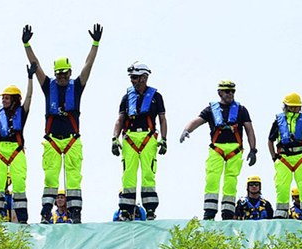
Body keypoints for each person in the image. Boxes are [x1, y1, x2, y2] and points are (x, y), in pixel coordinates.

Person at [22, 23, 102, 224]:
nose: (63, 77)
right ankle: (46, 212)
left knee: (74, 179)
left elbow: (88, 65)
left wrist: (95, 43)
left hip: (72, 140)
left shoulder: (77, 87)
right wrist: (26, 44)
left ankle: (75, 212)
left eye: (66, 73)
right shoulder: (48, 86)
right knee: (50, 179)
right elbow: (36, 64)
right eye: (59, 74)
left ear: (70, 72)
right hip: (52, 141)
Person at [180, 80, 257, 220]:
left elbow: (249, 129)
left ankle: (228, 212)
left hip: (235, 150)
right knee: (212, 178)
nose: (230, 94)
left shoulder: (241, 110)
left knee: (231, 181)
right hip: (217, 149)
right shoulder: (211, 109)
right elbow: (197, 120)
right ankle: (209, 211)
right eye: (227, 91)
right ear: (220, 92)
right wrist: (186, 130)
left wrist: (253, 150)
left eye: (233, 91)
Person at [0, 61, 35, 224]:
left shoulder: (22, 112)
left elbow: (30, 97)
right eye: (3, 98)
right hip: (0, 151)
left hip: (17, 150)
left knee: (19, 184)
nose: (3, 100)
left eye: (6, 98)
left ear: (15, 100)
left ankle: (22, 219)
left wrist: (30, 78)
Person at [111, 61, 168, 221]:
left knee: (148, 174)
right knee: (128, 174)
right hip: (130, 139)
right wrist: (114, 139)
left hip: (148, 137)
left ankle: (150, 208)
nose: (132, 80)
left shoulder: (156, 97)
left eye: (135, 77)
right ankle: (126, 209)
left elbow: (162, 119)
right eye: (131, 77)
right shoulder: (126, 97)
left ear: (144, 77)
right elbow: (120, 119)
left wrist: (164, 139)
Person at [267, 92, 302, 219]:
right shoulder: (278, 121)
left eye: (297, 106)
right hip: (283, 158)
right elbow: (270, 140)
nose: (295, 109)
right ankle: (281, 213)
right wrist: (274, 157)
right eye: (292, 106)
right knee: (282, 185)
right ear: (286, 106)